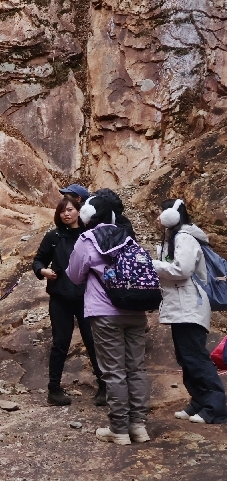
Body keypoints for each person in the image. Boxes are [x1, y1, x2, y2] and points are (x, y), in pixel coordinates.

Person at [67, 189, 150, 445]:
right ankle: (139, 427)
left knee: (114, 372)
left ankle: (119, 429)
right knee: (136, 369)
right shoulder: (128, 237)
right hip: (135, 310)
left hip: (104, 312)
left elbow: (74, 275)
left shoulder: (87, 239)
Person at [153, 199, 227, 425]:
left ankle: (216, 407)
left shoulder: (184, 238)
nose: (157, 218)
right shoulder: (176, 238)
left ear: (171, 216)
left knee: (195, 356)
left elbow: (182, 270)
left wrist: (152, 264)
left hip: (190, 305)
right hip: (181, 305)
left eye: (160, 213)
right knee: (185, 357)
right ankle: (199, 401)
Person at [32, 195, 104, 406]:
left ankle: (104, 387)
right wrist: (43, 271)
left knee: (92, 342)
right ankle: (54, 389)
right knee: (60, 343)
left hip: (86, 297)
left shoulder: (89, 235)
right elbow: (38, 260)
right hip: (60, 297)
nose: (66, 213)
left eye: (70, 209)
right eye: (63, 210)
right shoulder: (53, 236)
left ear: (79, 212)